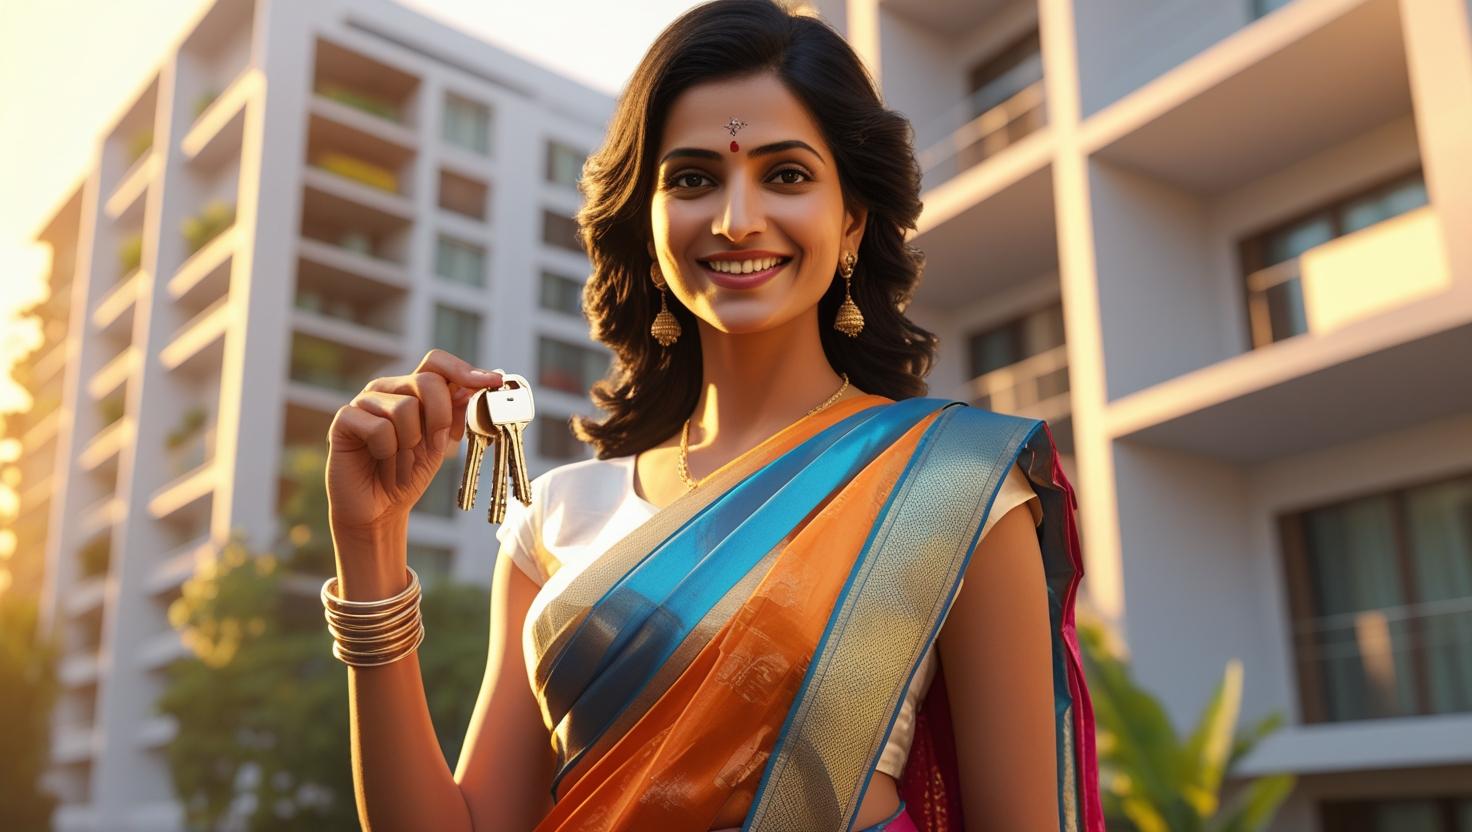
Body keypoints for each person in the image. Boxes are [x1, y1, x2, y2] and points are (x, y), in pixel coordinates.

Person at [322, 1, 1103, 830]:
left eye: (787, 175)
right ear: (648, 223)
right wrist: (370, 548)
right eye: (693, 178)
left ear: (851, 223)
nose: (736, 219)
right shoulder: (557, 518)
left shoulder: (950, 486)